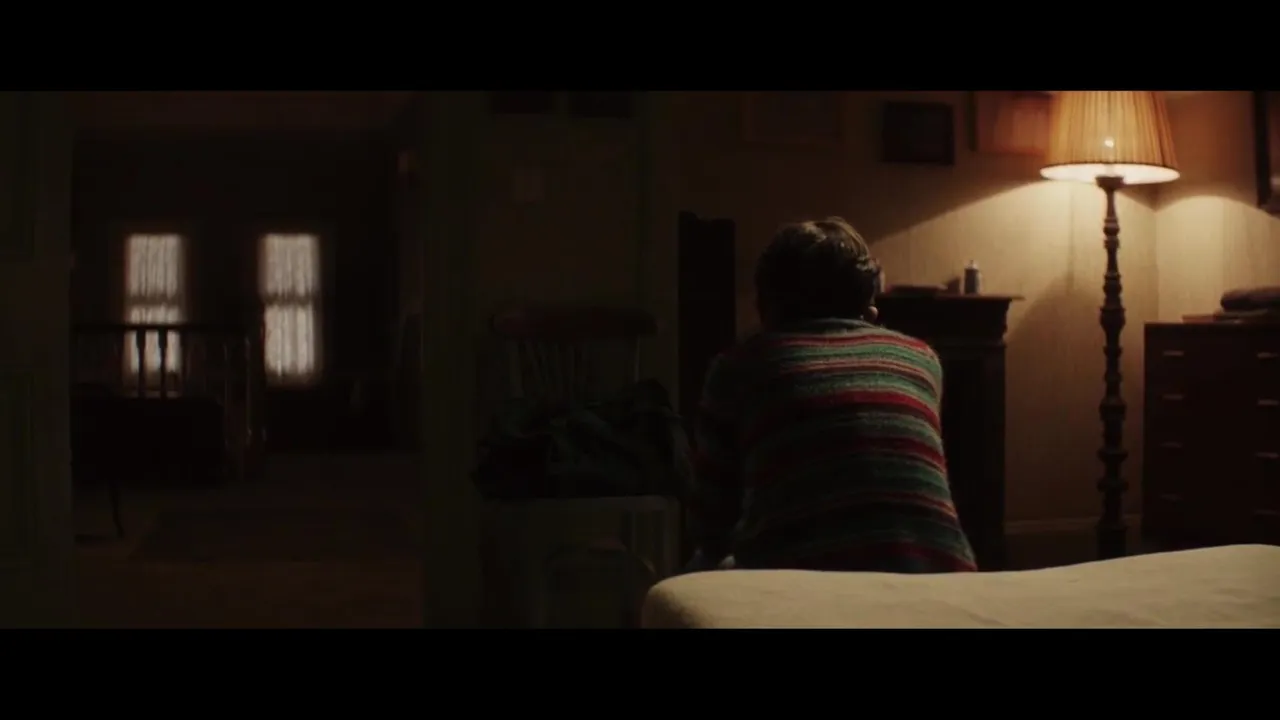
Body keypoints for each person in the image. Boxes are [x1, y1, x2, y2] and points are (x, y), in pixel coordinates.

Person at [686, 217, 977, 574]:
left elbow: (711, 521)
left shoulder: (738, 367)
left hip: (802, 580)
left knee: (697, 571)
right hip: (941, 573)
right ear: (869, 306)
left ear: (765, 307)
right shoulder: (921, 358)